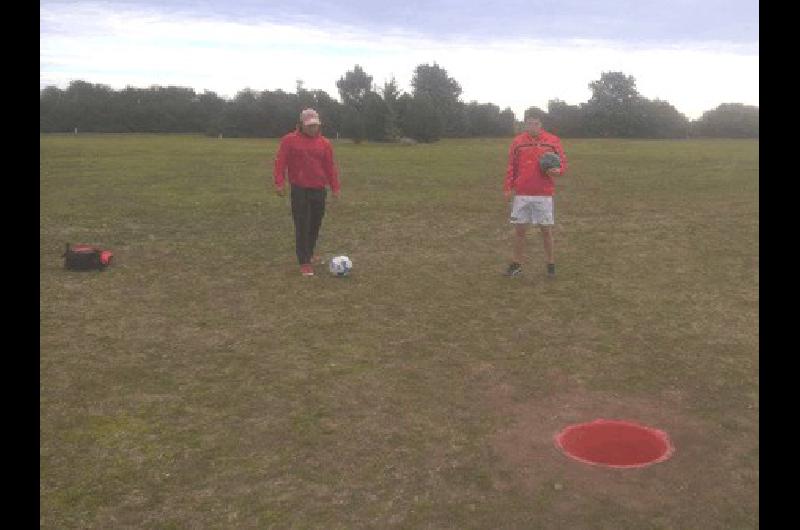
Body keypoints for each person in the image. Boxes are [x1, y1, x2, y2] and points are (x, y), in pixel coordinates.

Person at [273, 108, 341, 276]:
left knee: (315, 223)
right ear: (301, 125)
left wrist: (335, 187)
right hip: (299, 189)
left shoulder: (325, 143)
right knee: (302, 224)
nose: (313, 129)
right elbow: (280, 162)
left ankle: (309, 253)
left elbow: (329, 167)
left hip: (319, 189)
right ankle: (304, 261)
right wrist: (279, 182)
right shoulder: (289, 140)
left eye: (315, 125)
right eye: (309, 126)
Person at [503, 116, 568, 278]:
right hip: (522, 194)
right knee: (519, 232)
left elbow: (562, 164)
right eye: (529, 123)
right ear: (525, 124)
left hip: (543, 194)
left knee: (546, 232)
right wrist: (508, 187)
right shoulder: (518, 142)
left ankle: (551, 265)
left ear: (541, 125)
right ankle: (516, 265)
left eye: (536, 123)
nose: (532, 126)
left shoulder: (552, 141)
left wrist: (558, 171)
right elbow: (511, 166)